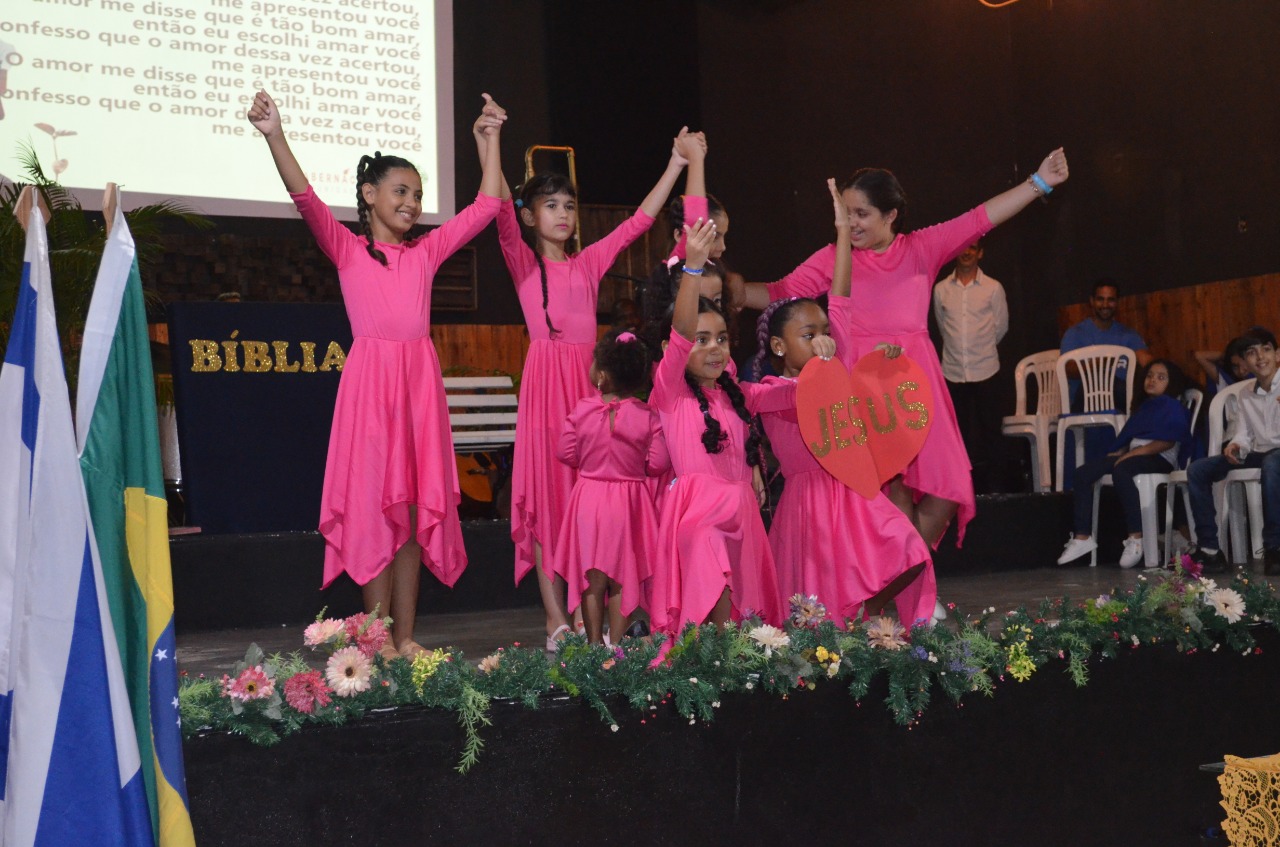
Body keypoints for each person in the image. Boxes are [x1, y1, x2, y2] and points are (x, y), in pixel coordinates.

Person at [246, 89, 505, 659]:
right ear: (369, 195)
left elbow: (488, 206)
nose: (412, 203)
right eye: (400, 191)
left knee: (411, 515)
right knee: (373, 513)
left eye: (418, 194)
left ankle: (404, 637)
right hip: (371, 388)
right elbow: (305, 197)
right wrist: (275, 135)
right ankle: (376, 636)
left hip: (418, 387)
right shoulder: (347, 250)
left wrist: (489, 141)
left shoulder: (426, 253)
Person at [742, 149, 1070, 549]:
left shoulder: (921, 248)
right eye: (846, 213)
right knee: (890, 488)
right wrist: (731, 291)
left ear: (890, 215)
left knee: (949, 486)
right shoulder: (836, 257)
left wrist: (1039, 182)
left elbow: (980, 218)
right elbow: (779, 292)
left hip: (917, 383)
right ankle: (906, 580)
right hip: (865, 386)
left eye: (861, 213)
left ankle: (910, 571)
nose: (851, 222)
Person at [482, 109, 698, 649]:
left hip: (587, 391)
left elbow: (638, 222)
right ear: (530, 217)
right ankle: (555, 617)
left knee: (587, 503)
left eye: (569, 206)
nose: (563, 214)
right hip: (543, 391)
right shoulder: (523, 262)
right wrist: (491, 139)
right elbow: (497, 207)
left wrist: (675, 163)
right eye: (550, 205)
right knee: (546, 501)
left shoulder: (589, 264)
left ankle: (588, 613)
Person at [754, 184, 935, 626]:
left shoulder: (836, 363)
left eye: (824, 331)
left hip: (852, 490)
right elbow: (799, 397)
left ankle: (862, 613)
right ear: (778, 346)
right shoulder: (768, 390)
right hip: (808, 506)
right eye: (807, 334)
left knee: (910, 551)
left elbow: (840, 299)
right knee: (813, 608)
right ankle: (839, 630)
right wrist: (824, 372)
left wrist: (841, 231)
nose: (821, 338)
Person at [647, 216, 794, 640]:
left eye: (722, 339)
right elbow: (680, 333)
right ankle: (714, 654)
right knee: (711, 575)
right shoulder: (671, 392)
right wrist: (693, 267)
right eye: (702, 340)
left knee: (748, 616)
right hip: (700, 513)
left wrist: (826, 366)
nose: (714, 348)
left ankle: (736, 656)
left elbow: (788, 395)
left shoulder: (735, 394)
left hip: (742, 511)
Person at [552, 331, 668, 646]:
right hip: (629, 503)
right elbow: (658, 463)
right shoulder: (648, 415)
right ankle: (616, 648)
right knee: (621, 580)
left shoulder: (582, 409)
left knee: (592, 580)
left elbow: (565, 452)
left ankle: (593, 646)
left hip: (589, 499)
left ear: (602, 375)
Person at [1056, 360, 1192, 568]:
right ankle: (1082, 537)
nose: (1152, 380)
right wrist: (1121, 452)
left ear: (1171, 383)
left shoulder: (1172, 406)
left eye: (1160, 377)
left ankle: (1136, 538)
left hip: (1159, 459)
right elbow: (1131, 437)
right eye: (1150, 375)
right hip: (1134, 456)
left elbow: (1166, 442)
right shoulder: (1145, 406)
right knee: (1083, 473)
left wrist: (1131, 454)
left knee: (1122, 470)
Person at [1188, 327, 1280, 575]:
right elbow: (1243, 433)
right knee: (1198, 470)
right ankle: (1209, 549)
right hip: (1260, 453)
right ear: (1245, 362)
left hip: (1276, 455)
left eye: (1266, 350)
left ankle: (1274, 547)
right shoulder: (1245, 394)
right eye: (1251, 353)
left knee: (1273, 463)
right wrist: (1236, 446)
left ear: (1277, 354)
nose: (1260, 357)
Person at [932, 239, 1008, 492]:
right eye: (962, 247)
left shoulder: (993, 288)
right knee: (957, 435)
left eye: (972, 248)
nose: (966, 252)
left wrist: (979, 350)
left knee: (991, 433)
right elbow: (942, 327)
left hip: (986, 369)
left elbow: (1001, 327)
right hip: (953, 371)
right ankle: (960, 490)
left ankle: (997, 491)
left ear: (980, 253)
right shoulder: (941, 289)